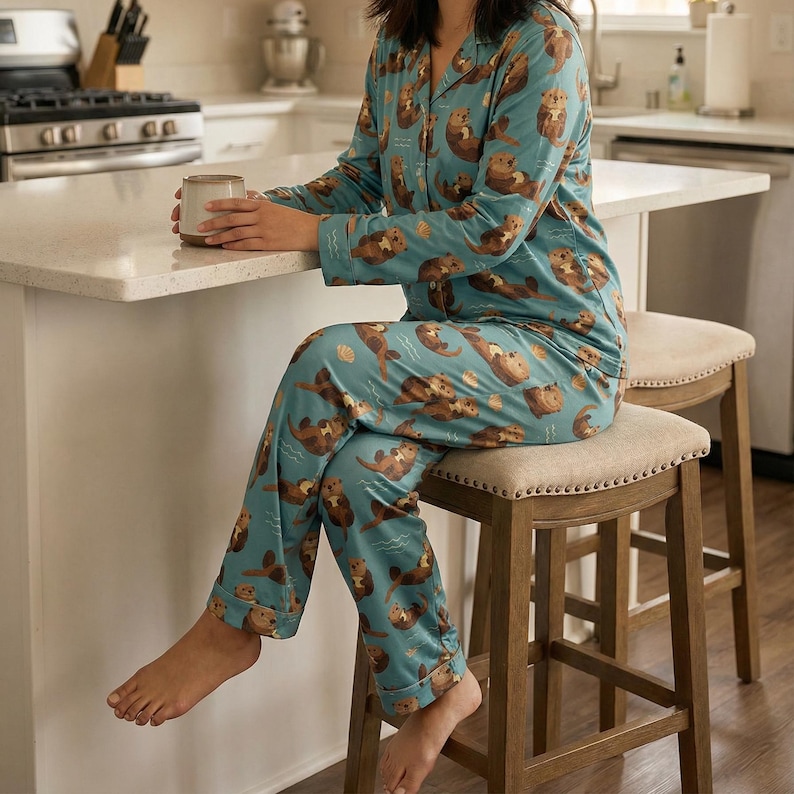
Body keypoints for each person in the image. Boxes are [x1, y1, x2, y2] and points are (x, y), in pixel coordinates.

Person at [107, 0, 628, 792]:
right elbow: (362, 176)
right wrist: (261, 215)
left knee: (330, 359)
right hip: (450, 356)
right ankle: (442, 687)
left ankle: (235, 623)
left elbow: (494, 227)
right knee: (356, 471)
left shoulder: (542, 42)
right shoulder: (399, 40)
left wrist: (313, 238)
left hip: (557, 353)